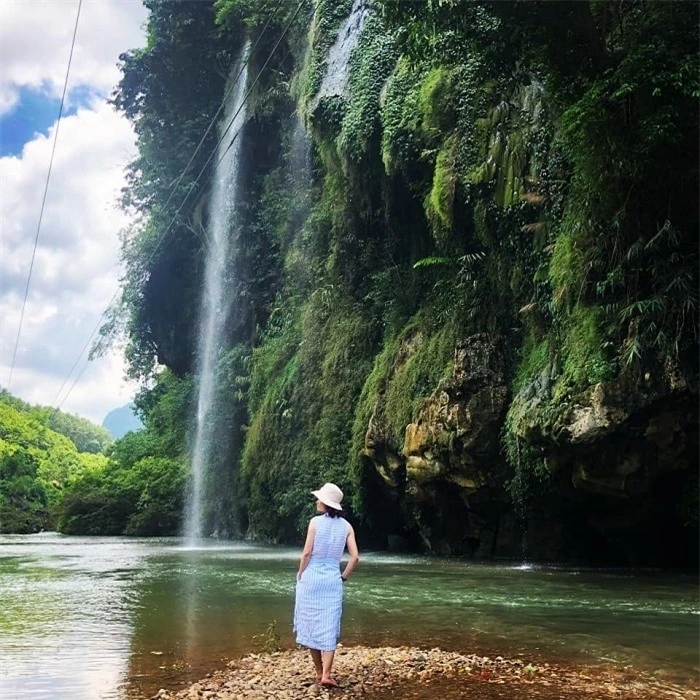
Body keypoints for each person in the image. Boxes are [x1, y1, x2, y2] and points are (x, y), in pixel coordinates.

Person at [293, 482, 360, 688]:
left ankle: (319, 671)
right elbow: (355, 557)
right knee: (329, 625)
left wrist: (300, 572)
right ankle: (327, 674)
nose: (316, 501)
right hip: (332, 580)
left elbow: (306, 553)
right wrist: (343, 577)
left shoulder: (314, 523)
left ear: (326, 503)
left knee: (312, 623)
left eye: (319, 499)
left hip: (312, 577)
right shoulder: (347, 527)